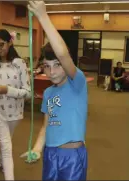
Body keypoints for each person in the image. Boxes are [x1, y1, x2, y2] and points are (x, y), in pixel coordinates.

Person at [21, 1, 88, 180]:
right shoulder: (49, 93)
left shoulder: (77, 82)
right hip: (50, 155)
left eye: (57, 65)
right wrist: (36, 148)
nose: (52, 71)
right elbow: (46, 126)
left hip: (72, 157)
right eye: (46, 66)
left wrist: (42, 16)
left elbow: (63, 53)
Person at [0, 29, 31, 180]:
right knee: (6, 147)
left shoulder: (19, 64)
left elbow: (28, 93)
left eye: (1, 45)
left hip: (16, 113)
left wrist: (7, 90)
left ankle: (0, 158)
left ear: (10, 42)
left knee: (7, 140)